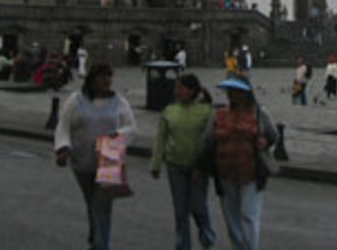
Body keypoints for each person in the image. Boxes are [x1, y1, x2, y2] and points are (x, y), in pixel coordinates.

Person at [54, 62, 137, 250]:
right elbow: (63, 125)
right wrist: (62, 148)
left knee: (102, 206)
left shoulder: (119, 101)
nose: (107, 80)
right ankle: (95, 239)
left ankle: (100, 245)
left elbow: (131, 127)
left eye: (109, 76)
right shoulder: (76, 100)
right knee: (92, 204)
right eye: (103, 76)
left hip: (108, 159)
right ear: (92, 80)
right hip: (82, 159)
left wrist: (119, 135)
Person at [202, 76, 278, 250]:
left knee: (249, 215)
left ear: (246, 93)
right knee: (231, 216)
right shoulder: (220, 114)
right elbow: (208, 140)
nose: (233, 95)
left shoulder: (259, 113)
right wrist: (202, 166)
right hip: (224, 171)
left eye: (237, 92)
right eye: (230, 92)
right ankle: (238, 246)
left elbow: (273, 135)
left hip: (250, 172)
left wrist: (265, 142)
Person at [151, 73, 217, 250]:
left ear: (192, 90)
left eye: (180, 87)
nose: (176, 91)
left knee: (198, 206)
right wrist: (156, 163)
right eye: (176, 88)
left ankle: (206, 232)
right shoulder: (170, 110)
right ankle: (182, 245)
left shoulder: (206, 111)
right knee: (180, 210)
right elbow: (161, 137)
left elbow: (209, 141)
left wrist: (202, 166)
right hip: (175, 165)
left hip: (198, 168)